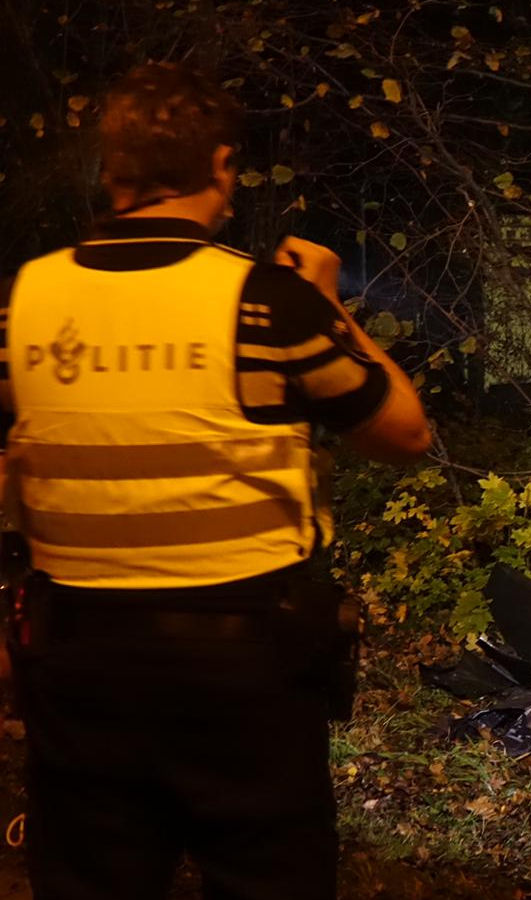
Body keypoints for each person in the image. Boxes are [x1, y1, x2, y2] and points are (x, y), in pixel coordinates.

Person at [0, 62, 430, 899]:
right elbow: (406, 432)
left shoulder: (29, 300)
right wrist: (328, 303)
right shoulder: (265, 303)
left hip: (76, 665)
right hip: (246, 674)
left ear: (112, 172)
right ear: (224, 165)